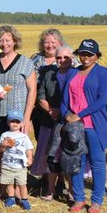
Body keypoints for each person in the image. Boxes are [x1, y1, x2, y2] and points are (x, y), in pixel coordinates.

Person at [63, 39, 107, 213]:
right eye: (82, 53)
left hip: (94, 125)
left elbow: (102, 101)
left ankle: (96, 201)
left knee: (97, 163)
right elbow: (64, 98)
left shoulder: (104, 73)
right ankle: (79, 198)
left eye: (89, 54)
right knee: (76, 163)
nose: (85, 57)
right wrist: (67, 114)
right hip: (75, 128)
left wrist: (78, 115)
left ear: (97, 56)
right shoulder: (72, 73)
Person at [0, 25, 36, 185]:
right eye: (0, 40)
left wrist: (27, 118)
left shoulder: (25, 63)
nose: (4, 43)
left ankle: (18, 183)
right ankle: (2, 182)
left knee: (17, 148)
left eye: (8, 40)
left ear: (15, 41)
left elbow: (32, 90)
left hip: (16, 116)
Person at [32, 45, 73, 200]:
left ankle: (71, 191)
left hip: (69, 122)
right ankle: (50, 190)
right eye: (58, 58)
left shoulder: (76, 75)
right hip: (49, 121)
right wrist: (51, 111)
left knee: (69, 156)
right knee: (50, 155)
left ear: (72, 58)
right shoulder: (49, 74)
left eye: (65, 57)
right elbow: (40, 94)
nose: (61, 60)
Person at [0, 110, 34, 210]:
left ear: (21, 123)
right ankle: (11, 198)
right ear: (8, 123)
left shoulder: (24, 136)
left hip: (20, 165)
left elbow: (29, 149)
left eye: (17, 122)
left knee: (22, 184)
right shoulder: (5, 135)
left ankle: (24, 199)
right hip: (7, 164)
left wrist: (30, 158)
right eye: (12, 121)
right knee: (9, 183)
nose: (15, 124)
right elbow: (0, 150)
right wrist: (3, 145)